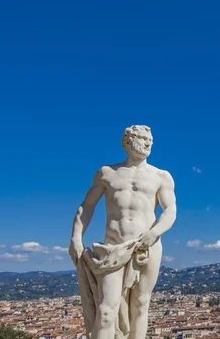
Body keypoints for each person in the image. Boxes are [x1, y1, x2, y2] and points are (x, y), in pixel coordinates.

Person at [68, 125, 177, 339]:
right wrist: (75, 238)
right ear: (127, 142)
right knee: (106, 310)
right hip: (112, 248)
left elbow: (170, 211)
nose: (148, 143)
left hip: (147, 246)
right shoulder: (107, 173)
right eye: (143, 138)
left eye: (150, 140)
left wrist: (153, 234)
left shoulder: (161, 176)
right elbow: (86, 207)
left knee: (141, 303)